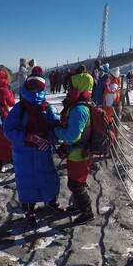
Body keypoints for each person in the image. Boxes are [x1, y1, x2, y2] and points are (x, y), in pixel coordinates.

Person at [4, 66, 62, 227]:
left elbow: (53, 126)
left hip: (42, 150)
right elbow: (8, 130)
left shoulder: (46, 107)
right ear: (27, 87)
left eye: (39, 87)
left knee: (48, 178)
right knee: (27, 182)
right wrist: (27, 137)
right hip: (24, 153)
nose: (35, 90)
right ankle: (29, 210)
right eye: (32, 86)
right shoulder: (20, 108)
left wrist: (50, 137)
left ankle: (50, 202)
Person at [55, 68, 95, 225]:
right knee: (77, 181)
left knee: (75, 184)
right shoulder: (82, 104)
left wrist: (57, 131)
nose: (68, 90)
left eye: (71, 87)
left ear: (79, 88)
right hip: (79, 152)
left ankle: (87, 212)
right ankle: (79, 206)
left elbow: (72, 136)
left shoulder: (79, 109)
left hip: (79, 153)